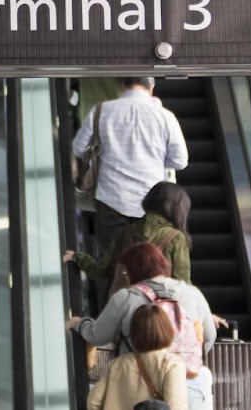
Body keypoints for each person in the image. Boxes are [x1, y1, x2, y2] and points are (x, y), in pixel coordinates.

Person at [72, 77, 188, 298]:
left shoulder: (101, 111)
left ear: (121, 85)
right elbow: (180, 160)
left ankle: (113, 317)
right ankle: (150, 319)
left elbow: (79, 148)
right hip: (151, 208)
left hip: (111, 202)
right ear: (151, 88)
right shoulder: (165, 117)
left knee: (112, 265)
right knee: (150, 267)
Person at [69, 243, 217, 410]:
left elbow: (97, 336)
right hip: (191, 385)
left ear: (131, 270)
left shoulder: (126, 298)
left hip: (139, 389)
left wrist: (80, 324)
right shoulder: (192, 293)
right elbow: (209, 337)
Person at [67, 181, 193, 284]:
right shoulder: (176, 238)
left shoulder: (125, 232)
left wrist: (77, 257)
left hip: (125, 303)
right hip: (158, 311)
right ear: (178, 210)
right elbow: (183, 283)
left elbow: (101, 271)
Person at [86, 305, 189, 410]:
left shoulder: (117, 364)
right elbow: (176, 407)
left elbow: (93, 401)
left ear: (134, 333)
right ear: (167, 330)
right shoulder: (171, 365)